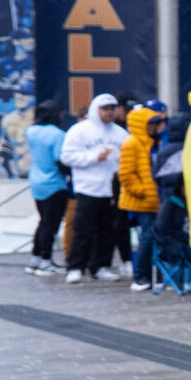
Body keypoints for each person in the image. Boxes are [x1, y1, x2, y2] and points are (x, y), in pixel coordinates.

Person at [59, 94, 130, 282]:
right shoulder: (79, 131)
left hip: (112, 190)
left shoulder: (120, 133)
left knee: (107, 231)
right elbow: (67, 157)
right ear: (96, 109)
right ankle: (75, 267)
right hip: (88, 188)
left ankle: (101, 266)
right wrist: (94, 157)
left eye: (112, 108)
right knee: (82, 229)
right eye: (105, 108)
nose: (109, 112)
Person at [119, 100, 168, 291]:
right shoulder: (132, 143)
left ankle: (157, 275)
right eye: (151, 123)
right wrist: (143, 191)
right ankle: (141, 277)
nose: (155, 127)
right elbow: (126, 174)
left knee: (156, 237)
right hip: (142, 202)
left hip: (156, 200)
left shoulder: (154, 143)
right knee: (147, 238)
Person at [24, 102, 70, 276]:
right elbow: (60, 160)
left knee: (43, 222)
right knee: (51, 225)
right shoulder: (57, 134)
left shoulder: (31, 131)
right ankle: (45, 260)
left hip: (36, 183)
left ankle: (35, 259)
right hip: (54, 184)